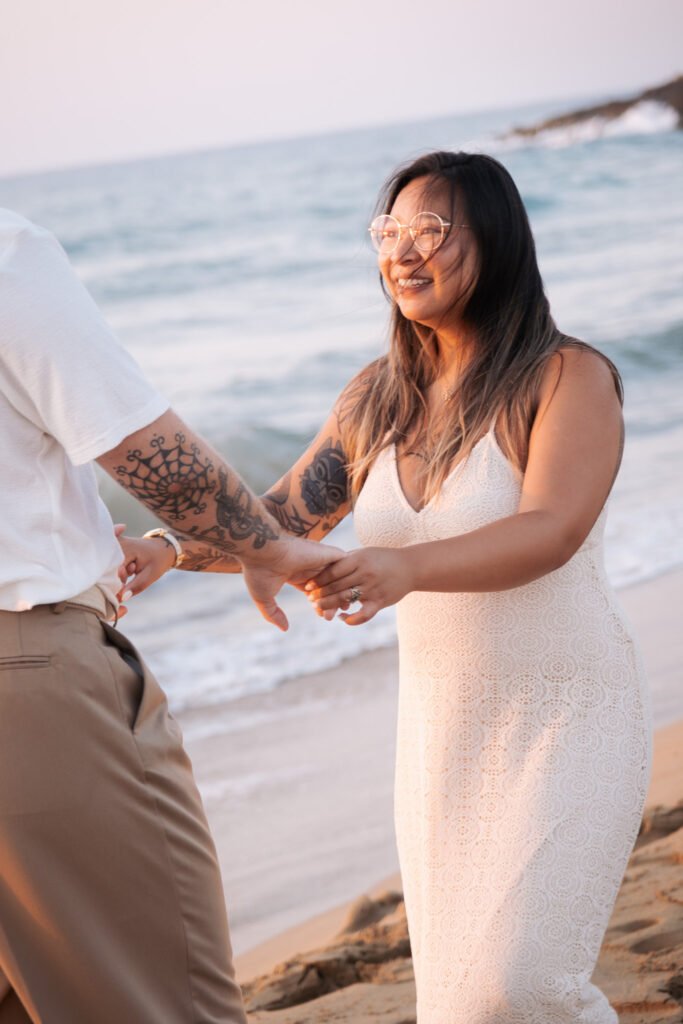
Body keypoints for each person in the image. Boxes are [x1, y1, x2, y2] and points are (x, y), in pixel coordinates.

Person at [122, 151, 651, 1023]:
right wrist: (167, 551)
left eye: (429, 230)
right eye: (387, 231)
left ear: (496, 239)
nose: (401, 252)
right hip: (441, 736)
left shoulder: (566, 377)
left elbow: (551, 530)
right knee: (459, 1001)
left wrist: (400, 568)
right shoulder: (376, 399)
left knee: (519, 987)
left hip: (567, 714)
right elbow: (278, 522)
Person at [0, 207, 341, 1024]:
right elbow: (145, 450)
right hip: (28, 689)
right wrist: (270, 550)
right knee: (165, 1002)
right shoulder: (7, 252)